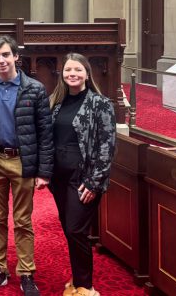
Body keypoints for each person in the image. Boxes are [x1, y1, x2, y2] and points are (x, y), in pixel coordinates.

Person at [0, 36, 53, 296]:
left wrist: (43, 171)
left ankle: (26, 272)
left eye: (6, 55)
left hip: (22, 161)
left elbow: (45, 133)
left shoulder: (35, 89)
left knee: (23, 220)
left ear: (17, 56)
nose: (2, 60)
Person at [49, 53, 116, 296]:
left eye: (77, 70)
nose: (72, 74)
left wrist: (95, 182)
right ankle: (77, 280)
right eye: (68, 70)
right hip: (58, 178)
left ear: (87, 74)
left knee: (76, 229)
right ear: (62, 74)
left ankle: (85, 287)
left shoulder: (100, 103)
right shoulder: (56, 102)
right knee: (69, 229)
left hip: (84, 178)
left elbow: (107, 146)